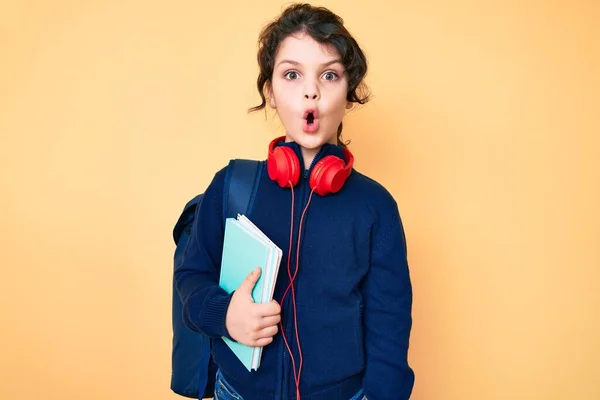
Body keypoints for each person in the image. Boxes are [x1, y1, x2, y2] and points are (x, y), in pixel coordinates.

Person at [175, 3, 415, 399]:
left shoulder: (375, 207)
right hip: (236, 391)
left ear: (349, 94)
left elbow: (390, 329)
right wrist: (226, 317)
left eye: (329, 75)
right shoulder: (231, 185)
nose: (311, 90)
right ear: (270, 92)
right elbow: (191, 278)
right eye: (291, 74)